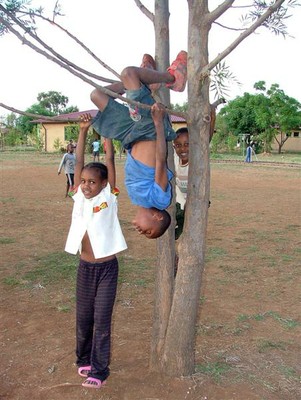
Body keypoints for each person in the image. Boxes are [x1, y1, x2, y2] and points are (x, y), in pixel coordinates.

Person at [90, 51, 188, 239]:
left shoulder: (136, 199)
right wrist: (159, 123)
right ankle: (173, 78)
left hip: (130, 134)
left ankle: (144, 84)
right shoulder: (160, 200)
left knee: (96, 95)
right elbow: (160, 160)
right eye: (149, 231)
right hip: (150, 129)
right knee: (128, 74)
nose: (142, 232)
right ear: (157, 217)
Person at [64, 113, 127, 389]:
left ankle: (99, 371)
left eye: (92, 182)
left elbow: (110, 161)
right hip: (85, 268)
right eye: (84, 181)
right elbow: (78, 162)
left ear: (103, 185)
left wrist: (107, 136)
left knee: (101, 321)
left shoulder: (108, 198)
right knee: (84, 318)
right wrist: (82, 131)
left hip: (107, 269)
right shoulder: (79, 195)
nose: (86, 185)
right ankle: (83, 360)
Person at [173, 127, 189, 240]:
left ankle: (181, 227)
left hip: (195, 198)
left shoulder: (197, 160)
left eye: (187, 144)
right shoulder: (174, 158)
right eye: (178, 145)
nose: (183, 148)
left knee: (186, 217)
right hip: (180, 196)